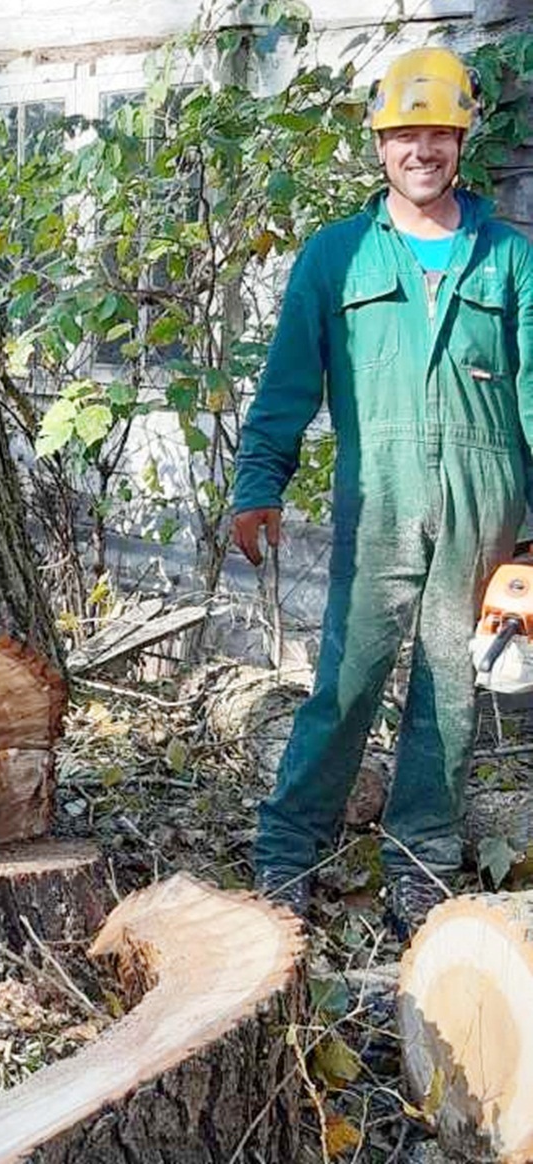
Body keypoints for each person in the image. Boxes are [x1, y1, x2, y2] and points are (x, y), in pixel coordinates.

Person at [231, 46, 533, 940]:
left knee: (450, 682)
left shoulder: (511, 259)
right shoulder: (336, 257)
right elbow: (288, 384)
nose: (422, 150)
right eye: (405, 134)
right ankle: (288, 849)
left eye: (437, 132)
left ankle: (419, 860)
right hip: (381, 497)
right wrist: (259, 482)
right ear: (380, 143)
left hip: (487, 498)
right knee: (348, 676)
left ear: (461, 138)